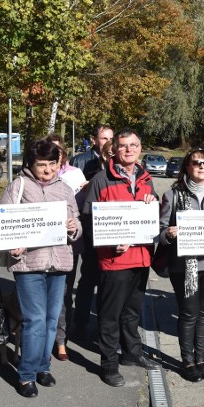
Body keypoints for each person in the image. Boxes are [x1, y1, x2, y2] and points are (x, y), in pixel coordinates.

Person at [0, 139, 82, 398]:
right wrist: (12, 243)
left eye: (52, 164)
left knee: (50, 320)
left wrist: (73, 227)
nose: (47, 170)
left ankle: (43, 367)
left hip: (59, 263)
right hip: (29, 265)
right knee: (34, 320)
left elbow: (76, 221)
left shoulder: (65, 188)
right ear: (31, 164)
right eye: (41, 165)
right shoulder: (18, 186)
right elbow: (2, 223)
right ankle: (26, 375)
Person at [81, 128, 159, 387]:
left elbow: (152, 214)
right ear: (114, 149)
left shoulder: (147, 179)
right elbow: (90, 220)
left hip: (141, 257)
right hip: (113, 260)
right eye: (123, 145)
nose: (129, 149)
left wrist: (152, 200)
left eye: (134, 145)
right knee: (110, 313)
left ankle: (131, 353)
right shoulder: (102, 180)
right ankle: (109, 364)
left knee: (132, 312)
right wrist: (108, 241)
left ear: (140, 148)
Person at [157, 148, 204, 382]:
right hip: (185, 267)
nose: (202, 166)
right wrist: (168, 234)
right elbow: (159, 232)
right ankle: (187, 361)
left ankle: (201, 359)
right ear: (187, 168)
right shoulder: (172, 195)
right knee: (189, 313)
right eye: (197, 163)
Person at [46, 134, 88, 362]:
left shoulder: (75, 175)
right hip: (41, 246)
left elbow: (80, 211)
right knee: (41, 296)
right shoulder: (36, 177)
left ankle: (61, 340)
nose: (54, 155)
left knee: (63, 294)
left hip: (67, 245)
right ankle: (42, 340)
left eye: (58, 151)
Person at [69, 126, 112, 339]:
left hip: (112, 232)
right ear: (94, 140)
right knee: (88, 277)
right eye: (104, 138)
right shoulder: (81, 162)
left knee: (107, 281)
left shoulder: (127, 168)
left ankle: (104, 325)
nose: (108, 143)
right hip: (89, 229)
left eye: (111, 139)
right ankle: (80, 323)